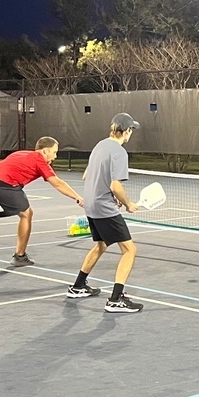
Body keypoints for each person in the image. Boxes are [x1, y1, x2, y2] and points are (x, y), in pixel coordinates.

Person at [0, 136, 84, 275]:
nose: (55, 156)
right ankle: (19, 256)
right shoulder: (40, 160)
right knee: (26, 214)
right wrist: (78, 198)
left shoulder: (20, 153)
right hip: (4, 184)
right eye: (54, 152)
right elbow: (57, 183)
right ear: (45, 151)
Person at [67, 113, 144, 313]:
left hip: (91, 206)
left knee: (100, 245)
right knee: (130, 250)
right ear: (126, 131)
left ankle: (78, 286)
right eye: (131, 130)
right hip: (103, 207)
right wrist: (127, 203)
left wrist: (112, 195)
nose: (131, 134)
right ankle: (115, 299)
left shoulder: (100, 145)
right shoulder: (119, 152)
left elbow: (87, 175)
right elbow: (115, 184)